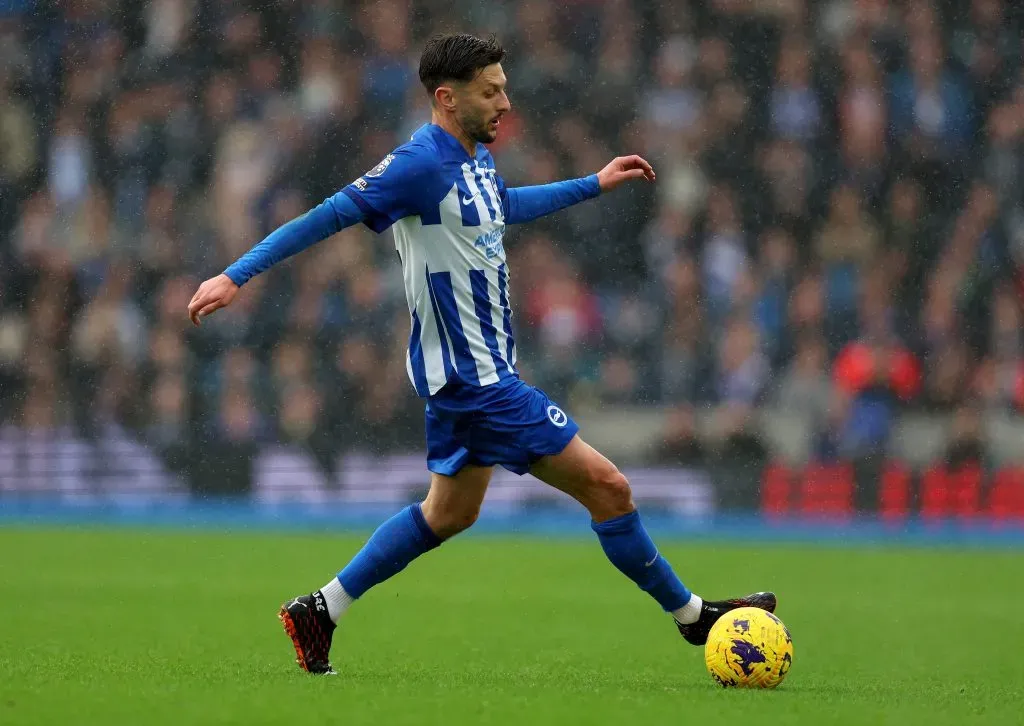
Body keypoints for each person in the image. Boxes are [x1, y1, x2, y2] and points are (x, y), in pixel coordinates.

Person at [187, 33, 775, 675]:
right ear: (447, 98)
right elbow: (327, 216)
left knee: (449, 512)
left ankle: (320, 610)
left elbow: (500, 208)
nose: (505, 101)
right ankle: (695, 620)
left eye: (503, 86)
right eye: (491, 90)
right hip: (478, 383)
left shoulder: (476, 158)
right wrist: (235, 275)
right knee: (610, 487)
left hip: (472, 377)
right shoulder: (415, 165)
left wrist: (592, 184)